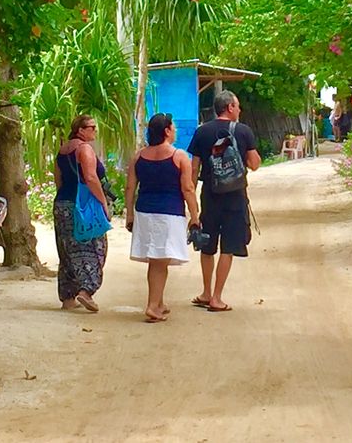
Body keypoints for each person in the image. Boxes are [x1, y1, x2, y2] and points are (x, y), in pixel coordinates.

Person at [188, 90, 260, 312]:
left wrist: (191, 197)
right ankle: (217, 298)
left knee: (207, 244)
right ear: (230, 107)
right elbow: (254, 164)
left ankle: (206, 292)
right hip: (235, 196)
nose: (239, 109)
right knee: (228, 247)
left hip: (210, 195)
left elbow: (194, 168)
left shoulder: (201, 132)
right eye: (237, 106)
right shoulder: (243, 131)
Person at [124, 113, 200, 323]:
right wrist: (195, 215)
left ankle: (158, 302)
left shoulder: (138, 156)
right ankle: (152, 305)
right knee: (159, 262)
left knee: (157, 260)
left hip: (144, 212)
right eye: (173, 127)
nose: (175, 130)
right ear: (167, 131)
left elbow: (130, 187)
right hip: (169, 214)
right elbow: (188, 188)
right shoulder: (179, 156)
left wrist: (129, 213)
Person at [52, 114, 112, 312]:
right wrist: (103, 203)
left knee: (67, 250)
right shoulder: (84, 149)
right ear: (80, 130)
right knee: (96, 247)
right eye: (92, 127)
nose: (95, 130)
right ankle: (87, 290)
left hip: (62, 203)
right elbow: (91, 177)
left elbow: (58, 179)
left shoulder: (63, 150)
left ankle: (68, 297)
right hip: (83, 204)